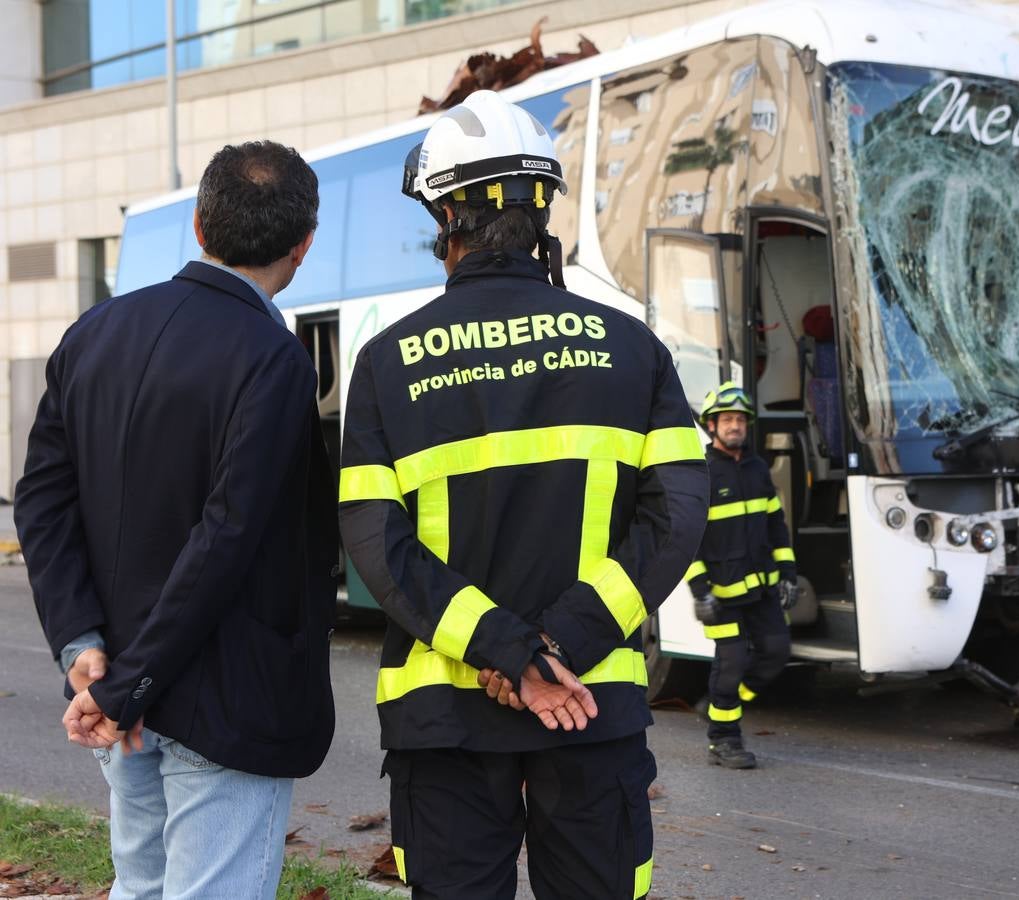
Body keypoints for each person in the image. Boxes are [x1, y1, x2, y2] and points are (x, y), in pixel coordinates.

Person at [337, 90, 708, 899]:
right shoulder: (633, 347)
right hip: (590, 702)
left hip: (446, 718)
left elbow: (376, 545)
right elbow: (678, 518)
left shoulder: (388, 362)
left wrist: (508, 653)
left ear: (447, 217)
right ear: (541, 211)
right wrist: (560, 645)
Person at [14, 141, 337, 899]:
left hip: (115, 686)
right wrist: (129, 683)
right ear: (304, 245)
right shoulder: (274, 357)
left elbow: (42, 500)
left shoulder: (93, 332)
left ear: (198, 226)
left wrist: (82, 645)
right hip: (219, 701)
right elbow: (229, 535)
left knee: (140, 886)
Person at [685, 382, 797, 769]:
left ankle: (721, 704)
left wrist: (788, 573)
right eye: (727, 420)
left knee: (776, 653)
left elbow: (776, 525)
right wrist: (700, 591)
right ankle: (723, 740)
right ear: (712, 426)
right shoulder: (701, 474)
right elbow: (688, 540)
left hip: (762, 589)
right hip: (722, 594)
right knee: (730, 663)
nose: (735, 426)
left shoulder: (758, 469)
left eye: (740, 420)